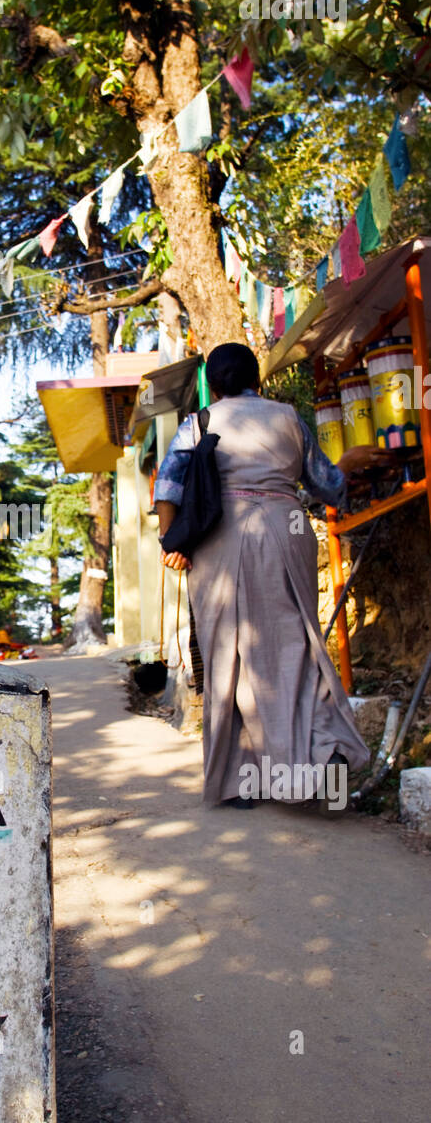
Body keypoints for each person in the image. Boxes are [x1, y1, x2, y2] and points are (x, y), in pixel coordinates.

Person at [153, 342, 393, 811]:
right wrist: (352, 463)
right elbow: (327, 483)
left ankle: (240, 782)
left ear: (214, 386)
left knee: (228, 654)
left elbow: (169, 484)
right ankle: (319, 753)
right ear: (257, 381)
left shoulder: (199, 422)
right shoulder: (288, 418)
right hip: (289, 528)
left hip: (221, 538)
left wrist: (171, 543)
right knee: (295, 647)